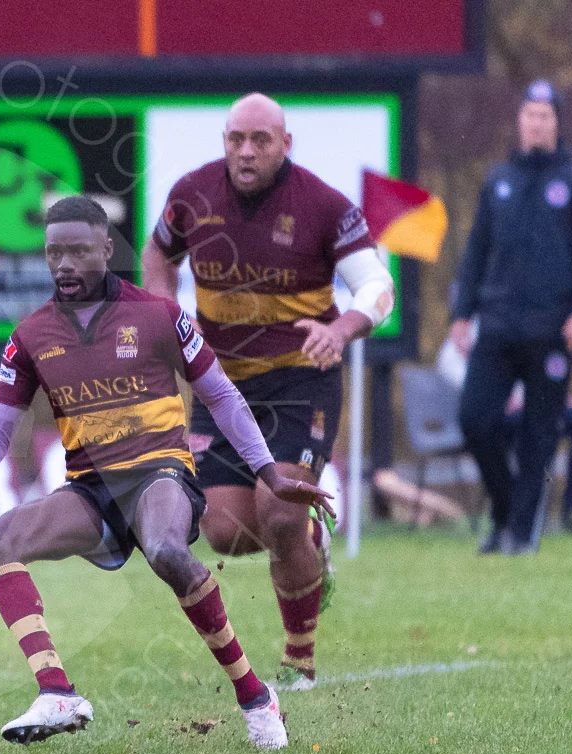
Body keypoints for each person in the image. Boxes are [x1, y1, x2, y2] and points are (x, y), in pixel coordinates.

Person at [0, 197, 335, 750]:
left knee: (168, 552)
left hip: (162, 475)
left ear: (105, 248)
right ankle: (57, 692)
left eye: (76, 251)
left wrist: (269, 473)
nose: (63, 264)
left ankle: (254, 696)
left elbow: (223, 397)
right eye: (53, 253)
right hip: (92, 491)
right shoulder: (31, 335)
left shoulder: (158, 315)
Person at [139, 93, 395, 692]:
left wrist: (341, 329)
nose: (247, 151)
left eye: (260, 139)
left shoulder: (324, 207)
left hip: (300, 379)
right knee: (224, 529)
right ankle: (309, 541)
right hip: (222, 385)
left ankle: (298, 660)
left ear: (285, 143)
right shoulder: (192, 196)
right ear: (224, 142)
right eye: (236, 139)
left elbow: (377, 287)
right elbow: (157, 254)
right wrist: (167, 313)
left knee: (279, 511)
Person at [448, 79, 572, 555]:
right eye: (529, 114)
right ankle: (505, 510)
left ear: (557, 123)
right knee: (475, 419)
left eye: (546, 116)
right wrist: (462, 314)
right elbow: (477, 249)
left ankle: (520, 535)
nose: (536, 123)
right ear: (519, 120)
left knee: (541, 432)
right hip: (496, 325)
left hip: (553, 328)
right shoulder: (498, 180)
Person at [437, 326, 572, 535]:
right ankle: (518, 510)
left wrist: (556, 398)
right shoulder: (462, 338)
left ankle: (571, 508)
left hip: (533, 407)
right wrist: (497, 398)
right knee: (529, 435)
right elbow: (467, 391)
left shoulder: (523, 325)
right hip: (500, 418)